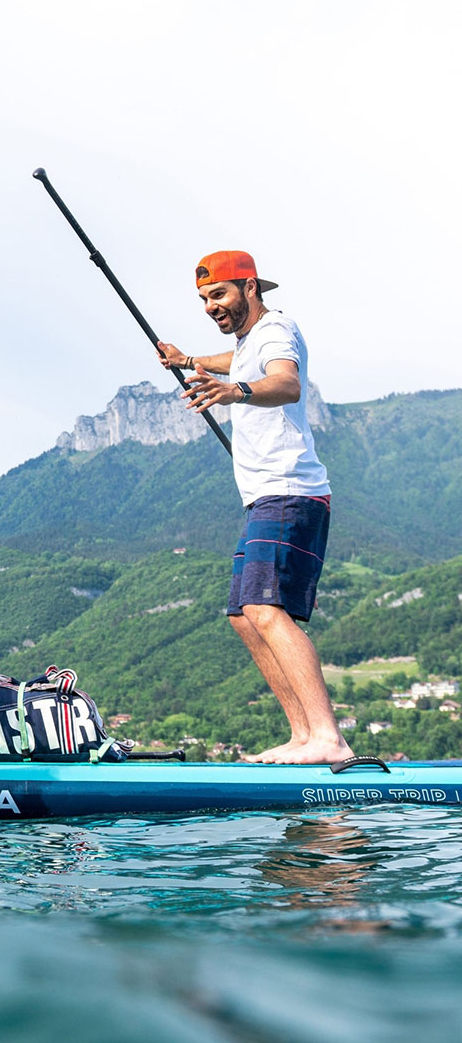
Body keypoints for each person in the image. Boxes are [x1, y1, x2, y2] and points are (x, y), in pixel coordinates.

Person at [157, 250, 352, 765]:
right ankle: (303, 735)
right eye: (202, 299)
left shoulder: (275, 332)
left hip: (290, 492)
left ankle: (328, 737)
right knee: (244, 617)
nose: (209, 306)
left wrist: (234, 391)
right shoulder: (249, 343)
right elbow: (236, 361)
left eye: (218, 294)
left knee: (266, 610)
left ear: (250, 288)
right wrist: (189, 362)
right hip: (266, 497)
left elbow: (286, 382)